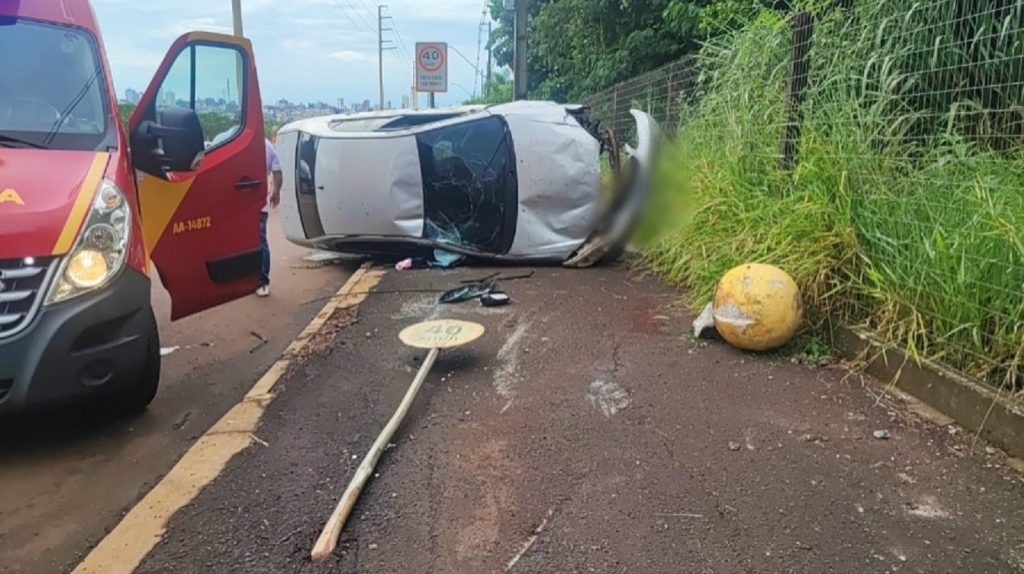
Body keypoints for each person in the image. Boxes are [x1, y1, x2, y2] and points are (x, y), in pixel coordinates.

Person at [258, 138, 283, 297]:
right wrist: (276, 191)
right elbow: (277, 171)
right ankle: (262, 282)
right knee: (260, 240)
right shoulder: (266, 145)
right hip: (259, 201)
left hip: (234, 204)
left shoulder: (227, 138)